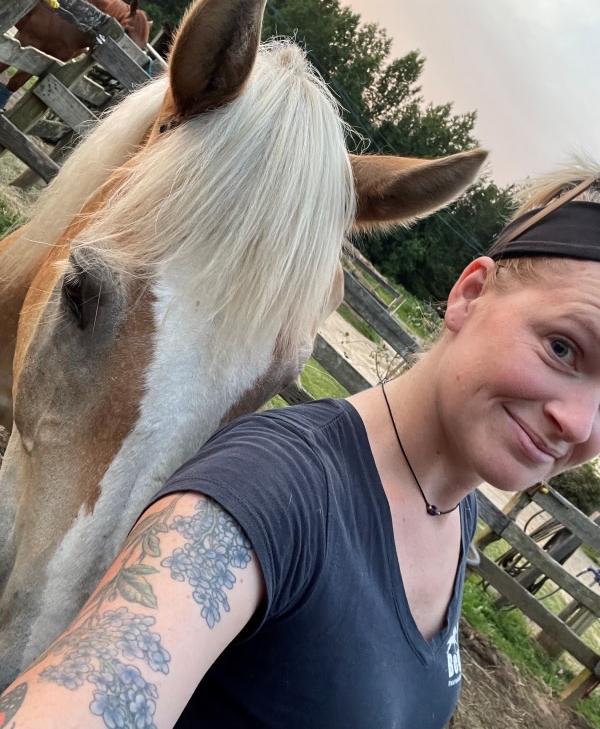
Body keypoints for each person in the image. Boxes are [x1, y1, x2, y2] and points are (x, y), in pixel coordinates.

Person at [3, 166, 600, 728]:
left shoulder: (451, 507)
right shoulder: (275, 488)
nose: (578, 423)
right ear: (470, 294)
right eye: (563, 348)